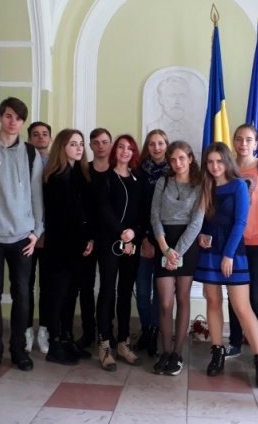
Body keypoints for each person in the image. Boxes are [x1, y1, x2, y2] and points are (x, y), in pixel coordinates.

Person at [0, 97, 44, 375]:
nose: (13, 122)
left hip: (23, 237)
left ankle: (18, 351)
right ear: (1, 117)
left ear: (23, 123)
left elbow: (37, 195)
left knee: (22, 294)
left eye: (19, 118)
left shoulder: (30, 153)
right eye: (9, 116)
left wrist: (37, 232)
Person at [194, 142, 258, 388]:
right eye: (210, 162)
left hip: (232, 254)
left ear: (227, 161)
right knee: (213, 302)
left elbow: (240, 222)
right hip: (209, 253)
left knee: (241, 307)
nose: (215, 166)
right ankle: (217, 353)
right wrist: (201, 235)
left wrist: (228, 254)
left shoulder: (239, 185)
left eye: (219, 161)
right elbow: (202, 221)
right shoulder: (205, 186)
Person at [225, 124, 258, 359]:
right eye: (239, 139)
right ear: (234, 142)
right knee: (234, 294)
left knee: (255, 294)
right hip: (232, 242)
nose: (243, 144)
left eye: (248, 139)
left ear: (256, 143)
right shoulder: (227, 167)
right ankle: (235, 341)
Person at [150, 141, 204, 375]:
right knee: (165, 302)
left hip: (187, 245)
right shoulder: (163, 182)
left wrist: (177, 252)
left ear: (190, 159)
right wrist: (165, 249)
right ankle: (165, 351)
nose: (177, 163)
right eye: (173, 159)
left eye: (182, 158)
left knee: (183, 299)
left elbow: (197, 222)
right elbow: (154, 216)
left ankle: (177, 354)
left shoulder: (200, 185)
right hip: (164, 243)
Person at [42, 129, 94, 365]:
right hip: (60, 247)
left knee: (71, 294)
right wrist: (82, 240)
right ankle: (55, 344)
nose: (79, 148)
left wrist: (88, 239)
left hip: (77, 247)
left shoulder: (78, 174)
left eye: (81, 143)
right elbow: (63, 218)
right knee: (58, 295)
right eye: (73, 144)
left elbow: (84, 214)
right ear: (62, 147)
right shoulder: (55, 177)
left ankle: (67, 338)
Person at [94, 134, 145, 371]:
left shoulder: (138, 179)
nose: (125, 151)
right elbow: (103, 210)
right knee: (107, 291)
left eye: (129, 148)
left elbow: (143, 213)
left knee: (125, 293)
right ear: (115, 151)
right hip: (109, 242)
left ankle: (124, 343)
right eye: (121, 147)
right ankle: (104, 344)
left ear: (134, 153)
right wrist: (121, 233)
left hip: (131, 244)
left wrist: (133, 234)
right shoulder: (105, 178)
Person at [73, 127, 114, 351]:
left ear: (110, 144)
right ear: (90, 145)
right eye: (96, 142)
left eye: (104, 142)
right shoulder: (82, 171)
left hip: (110, 238)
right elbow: (77, 205)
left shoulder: (117, 171)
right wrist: (86, 235)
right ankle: (88, 331)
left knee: (108, 286)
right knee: (86, 286)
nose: (100, 146)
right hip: (86, 237)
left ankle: (107, 332)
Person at [134, 129, 169, 356]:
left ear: (167, 145)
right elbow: (138, 208)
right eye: (152, 144)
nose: (156, 148)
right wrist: (145, 238)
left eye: (160, 143)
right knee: (143, 290)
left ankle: (156, 332)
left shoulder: (174, 172)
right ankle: (146, 329)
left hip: (165, 240)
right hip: (144, 238)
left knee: (160, 292)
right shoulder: (139, 172)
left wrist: (160, 242)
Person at [25, 121, 52, 354]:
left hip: (50, 234)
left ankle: (44, 329)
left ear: (50, 138)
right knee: (25, 284)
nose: (41, 138)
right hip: (25, 232)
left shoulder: (56, 163)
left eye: (44, 134)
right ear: (29, 138)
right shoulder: (22, 161)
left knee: (47, 285)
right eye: (36, 134)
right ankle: (26, 330)